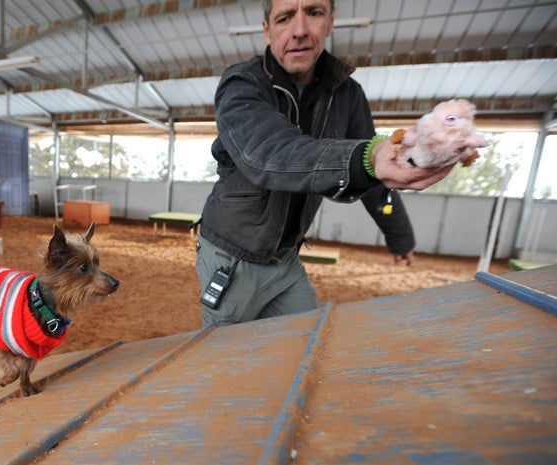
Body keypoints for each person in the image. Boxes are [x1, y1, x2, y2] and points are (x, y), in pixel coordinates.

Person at [195, 0, 455, 328]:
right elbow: (267, 155)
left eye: (314, 13)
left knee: (304, 344)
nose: (300, 30)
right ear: (267, 30)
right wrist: (365, 158)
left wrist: (399, 234)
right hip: (233, 256)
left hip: (287, 259)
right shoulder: (242, 85)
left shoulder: (347, 95)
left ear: (330, 22)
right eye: (285, 18)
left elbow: (375, 173)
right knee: (223, 357)